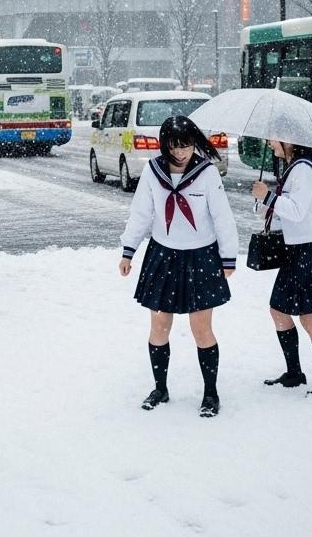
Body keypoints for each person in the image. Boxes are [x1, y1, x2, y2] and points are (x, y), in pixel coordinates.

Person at [119, 115, 238, 418]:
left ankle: (210, 394)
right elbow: (141, 213)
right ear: (165, 145)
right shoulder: (152, 170)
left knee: (201, 328)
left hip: (201, 256)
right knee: (159, 325)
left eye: (186, 146)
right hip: (164, 255)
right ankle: (160, 388)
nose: (182, 153)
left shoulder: (207, 173)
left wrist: (228, 257)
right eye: (175, 147)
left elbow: (223, 217)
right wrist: (128, 251)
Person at [252, 139, 312, 395]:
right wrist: (264, 202)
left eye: (273, 137)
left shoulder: (304, 169)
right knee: (279, 310)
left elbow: (296, 211)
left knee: (310, 318)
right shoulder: (292, 168)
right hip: (299, 250)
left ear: (289, 140)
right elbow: (283, 210)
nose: (269, 142)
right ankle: (294, 373)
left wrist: (269, 196)